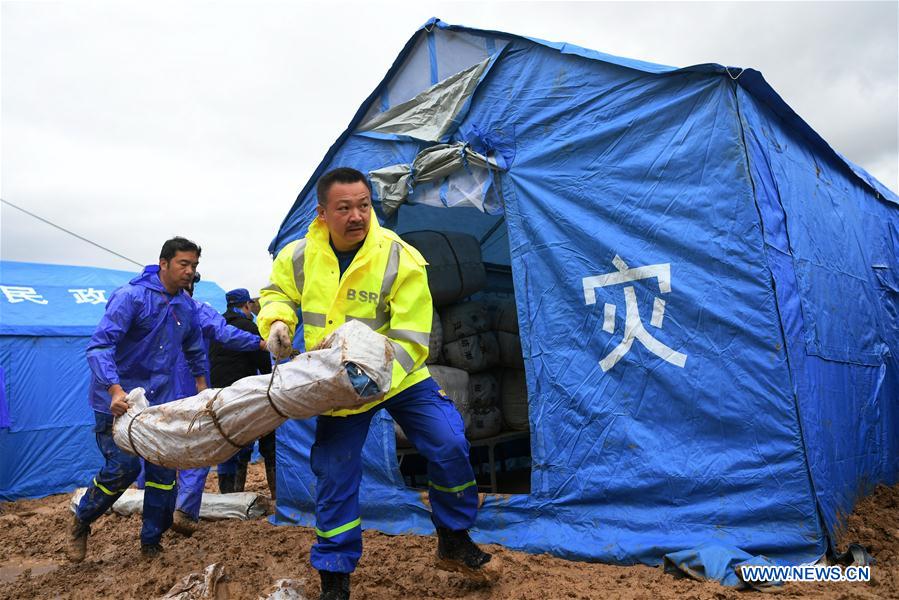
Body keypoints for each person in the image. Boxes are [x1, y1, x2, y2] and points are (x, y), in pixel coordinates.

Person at [259, 167, 491, 600]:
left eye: (364, 205)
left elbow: (411, 335)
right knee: (335, 472)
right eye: (344, 208)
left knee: (449, 442)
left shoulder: (400, 256)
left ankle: (454, 535)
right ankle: (335, 575)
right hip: (336, 380)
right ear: (323, 212)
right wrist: (275, 322)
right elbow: (277, 294)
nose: (357, 216)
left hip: (398, 375)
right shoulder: (296, 257)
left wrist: (376, 379)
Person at [67, 237, 206, 562]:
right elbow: (100, 346)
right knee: (124, 468)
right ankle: (81, 518)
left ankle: (151, 543)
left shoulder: (185, 306)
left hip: (159, 404)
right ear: (164, 263)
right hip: (117, 402)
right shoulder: (131, 297)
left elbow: (194, 347)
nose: (190, 271)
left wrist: (202, 387)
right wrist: (114, 389)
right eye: (184, 264)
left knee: (161, 475)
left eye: (194, 266)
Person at [169, 285, 269, 536]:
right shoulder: (204, 314)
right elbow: (230, 338)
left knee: (162, 445)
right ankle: (191, 508)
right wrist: (261, 346)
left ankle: (156, 506)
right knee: (209, 444)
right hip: (216, 392)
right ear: (247, 305)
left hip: (165, 388)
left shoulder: (149, 305)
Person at [209, 288, 275, 498]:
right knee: (267, 437)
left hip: (218, 394)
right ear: (246, 305)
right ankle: (276, 493)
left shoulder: (216, 325)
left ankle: (229, 495)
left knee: (227, 441)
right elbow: (262, 361)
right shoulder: (248, 326)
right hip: (243, 392)